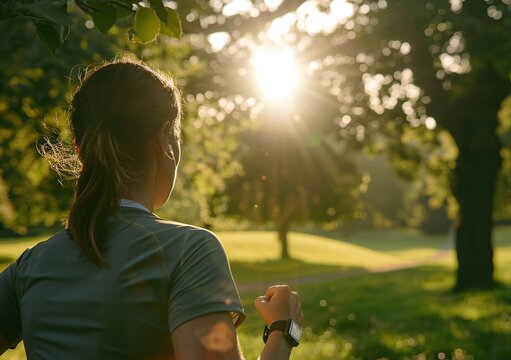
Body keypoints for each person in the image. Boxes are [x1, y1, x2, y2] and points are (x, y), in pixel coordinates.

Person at [0, 59, 303, 359]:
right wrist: (283, 329)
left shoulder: (28, 267)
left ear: (81, 151)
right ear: (163, 140)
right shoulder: (190, 250)